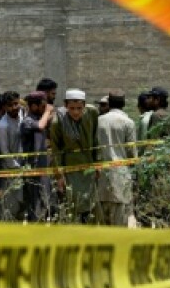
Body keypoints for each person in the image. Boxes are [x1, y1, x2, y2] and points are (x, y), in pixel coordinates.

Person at [48, 88, 99, 223]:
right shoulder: (57, 121)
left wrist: (98, 163)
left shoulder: (92, 113)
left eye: (79, 108)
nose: (76, 112)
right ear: (66, 106)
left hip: (88, 163)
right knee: (74, 202)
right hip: (70, 167)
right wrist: (59, 175)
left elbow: (96, 140)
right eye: (72, 108)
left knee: (91, 201)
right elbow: (56, 150)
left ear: (84, 106)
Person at [95, 89, 137, 226]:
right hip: (121, 177)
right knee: (120, 225)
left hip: (100, 176)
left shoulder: (98, 121)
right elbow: (131, 153)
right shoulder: (128, 123)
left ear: (109, 103)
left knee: (103, 225)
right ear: (124, 103)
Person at [20, 91, 55, 221]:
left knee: (45, 200)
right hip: (33, 168)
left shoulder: (39, 118)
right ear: (34, 106)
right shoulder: (27, 121)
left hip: (43, 167)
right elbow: (40, 126)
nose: (45, 109)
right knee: (34, 203)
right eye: (43, 106)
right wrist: (48, 112)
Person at [0, 90, 26, 221]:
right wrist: (17, 167)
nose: (14, 107)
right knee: (9, 205)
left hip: (24, 168)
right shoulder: (3, 125)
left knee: (22, 204)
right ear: (4, 107)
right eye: (10, 105)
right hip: (11, 170)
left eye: (16, 104)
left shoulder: (22, 115)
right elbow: (5, 152)